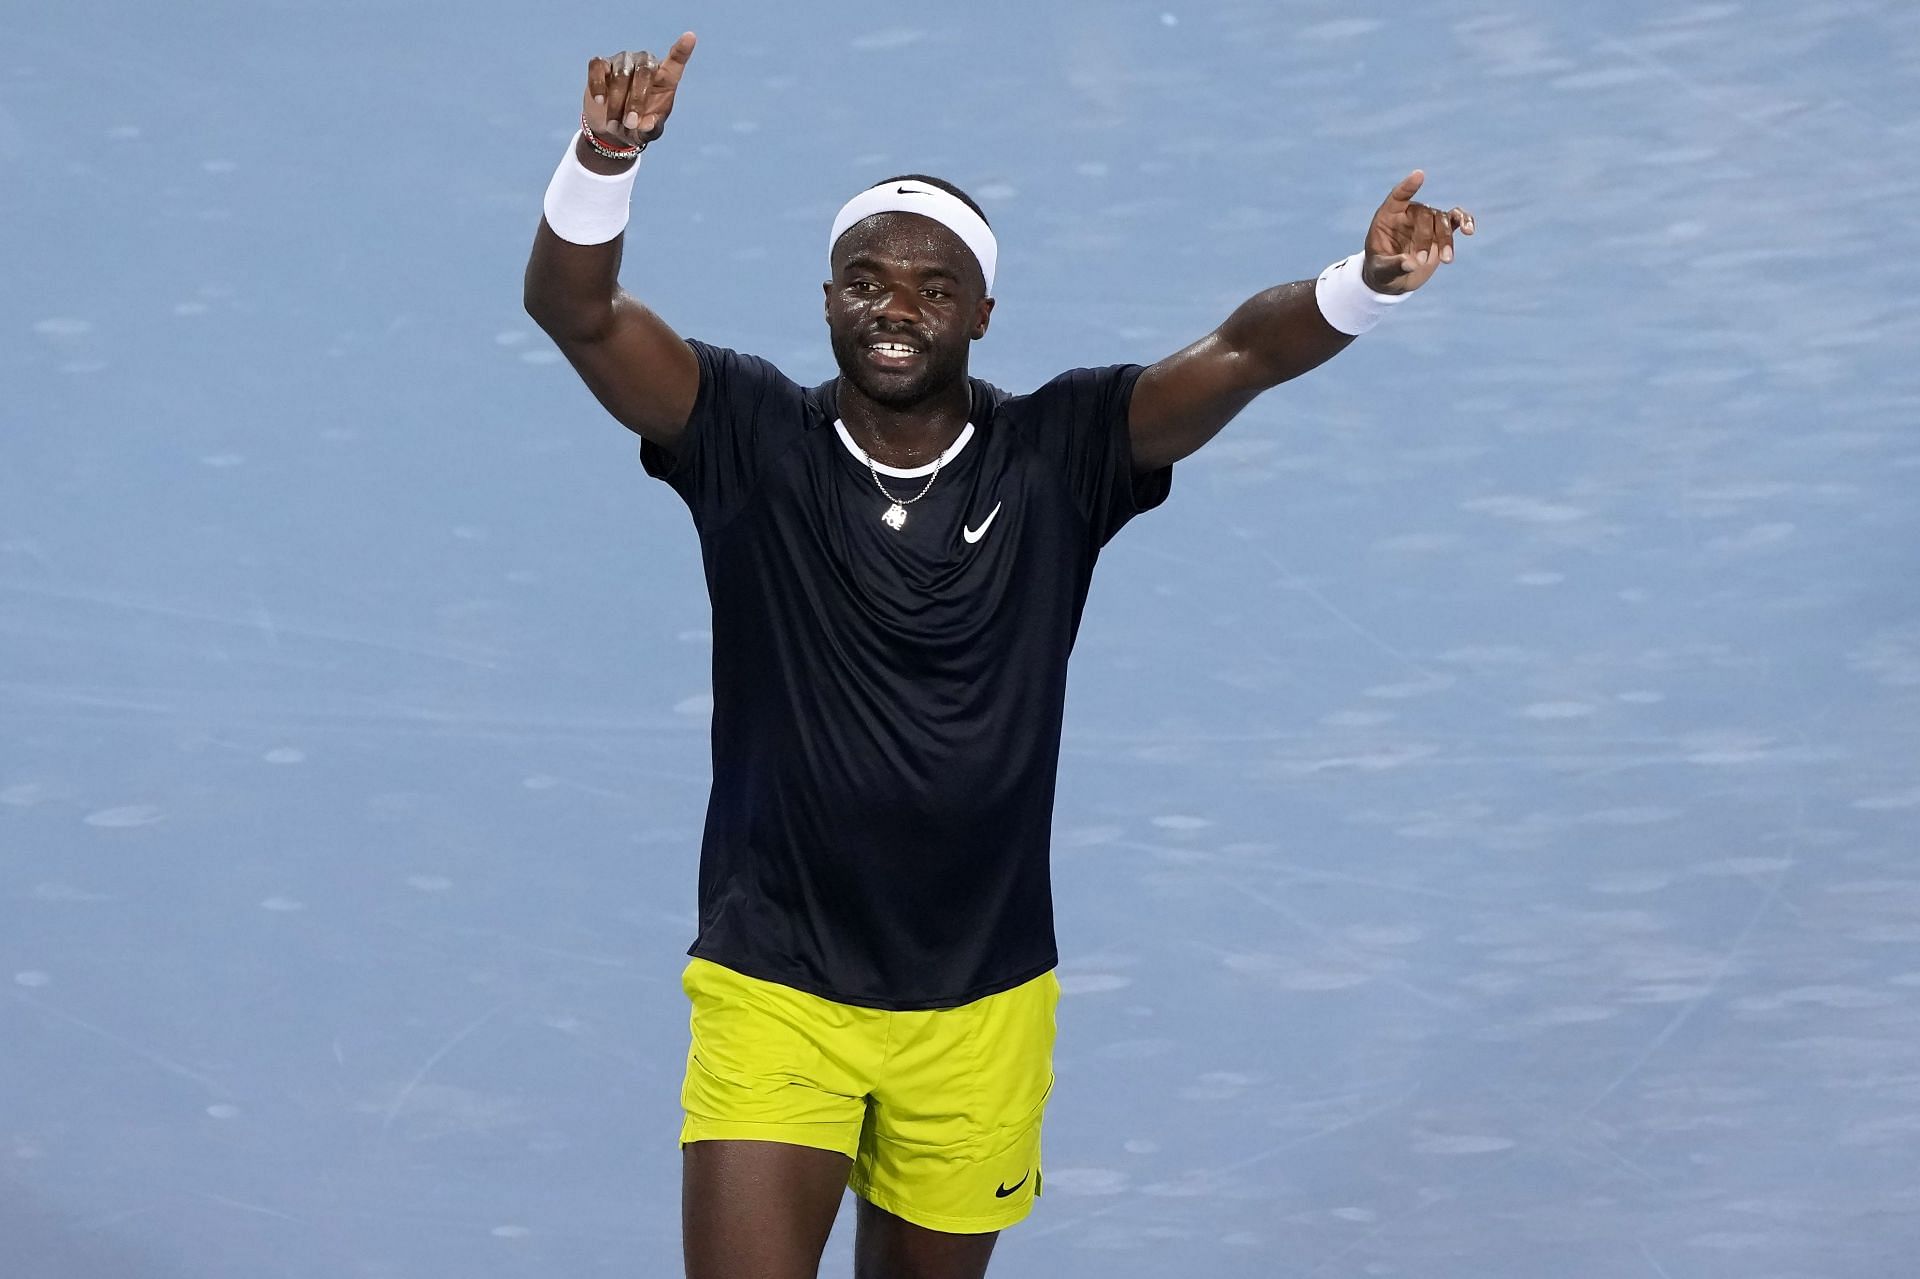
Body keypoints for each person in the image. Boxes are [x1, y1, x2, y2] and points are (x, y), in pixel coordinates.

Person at [523, 33, 1473, 1279]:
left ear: (982, 311)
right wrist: (604, 160)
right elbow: (574, 309)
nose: (896, 309)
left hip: (982, 1005)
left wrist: (1361, 282)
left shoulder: (1063, 449)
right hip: (777, 984)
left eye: (930, 287)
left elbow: (1243, 352)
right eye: (865, 282)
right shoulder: (746, 434)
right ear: (826, 303)